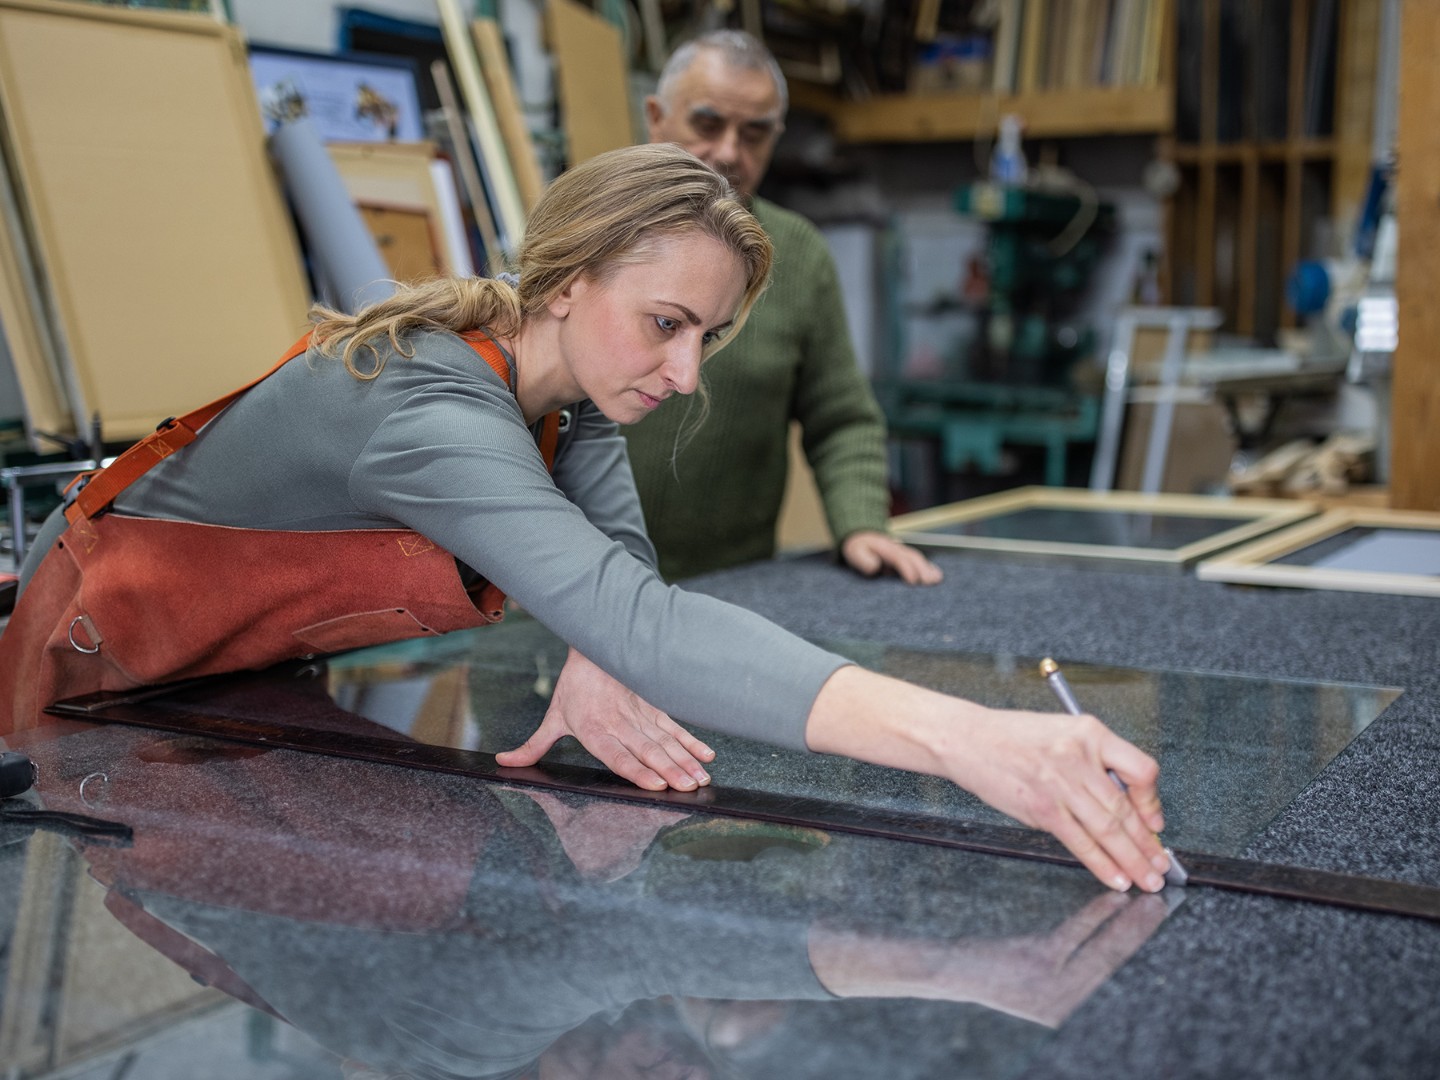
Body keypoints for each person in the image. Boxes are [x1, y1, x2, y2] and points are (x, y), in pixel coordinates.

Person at [0, 143, 1171, 894]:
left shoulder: (571, 404)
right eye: (666, 322)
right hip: (89, 664)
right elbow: (646, 626)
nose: (689, 370)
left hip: (229, 682)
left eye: (705, 337)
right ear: (568, 284)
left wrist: (595, 650)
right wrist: (982, 740)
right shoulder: (433, 409)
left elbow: (625, 602)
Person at [628, 30, 941, 586]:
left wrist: (861, 525)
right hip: (569, 593)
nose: (729, 152)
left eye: (755, 135)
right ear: (656, 117)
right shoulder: (588, 233)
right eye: (707, 125)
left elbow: (841, 417)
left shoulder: (797, 256)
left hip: (732, 588)